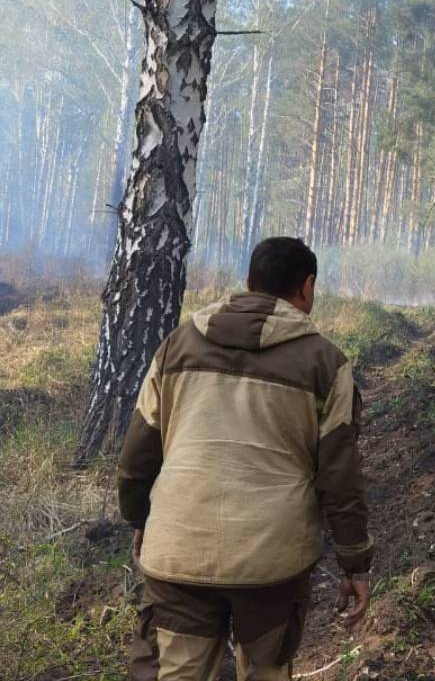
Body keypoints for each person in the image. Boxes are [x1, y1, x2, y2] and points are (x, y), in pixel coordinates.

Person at [118, 237, 372, 681]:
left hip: (180, 546)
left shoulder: (176, 346)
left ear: (248, 281)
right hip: (272, 561)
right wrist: (354, 563)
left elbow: (138, 455)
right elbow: (340, 478)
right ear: (307, 287)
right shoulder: (326, 363)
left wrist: (141, 520)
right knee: (266, 670)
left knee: (175, 671)